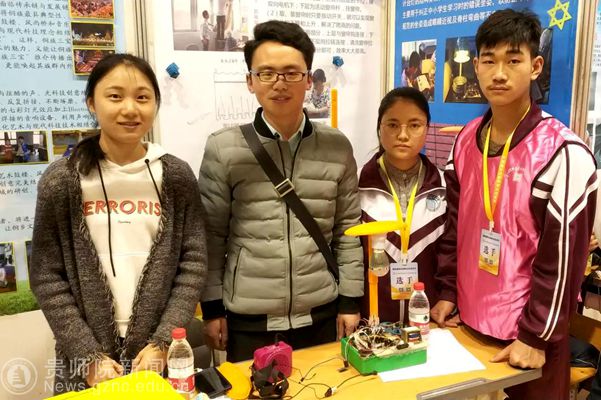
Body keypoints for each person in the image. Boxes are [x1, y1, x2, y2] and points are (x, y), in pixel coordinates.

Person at [432, 9, 597, 400]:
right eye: (489, 61)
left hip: (529, 341)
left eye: (513, 60)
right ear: (475, 66)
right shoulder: (465, 141)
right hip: (467, 324)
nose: (499, 73)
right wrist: (448, 292)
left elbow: (562, 261)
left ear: (535, 66)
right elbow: (454, 228)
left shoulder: (563, 153)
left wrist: (536, 336)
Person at [30, 54, 208, 394]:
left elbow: (194, 264)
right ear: (91, 103)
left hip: (158, 357)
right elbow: (46, 276)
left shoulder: (176, 176)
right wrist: (86, 356)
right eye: (115, 96)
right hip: (85, 362)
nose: (130, 109)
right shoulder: (62, 180)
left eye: (142, 97)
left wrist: (163, 342)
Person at [199, 20, 364, 362]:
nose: (279, 83)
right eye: (266, 73)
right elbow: (212, 237)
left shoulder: (337, 146)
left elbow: (348, 230)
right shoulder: (223, 148)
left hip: (322, 312)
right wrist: (212, 308)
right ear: (250, 81)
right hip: (249, 319)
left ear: (309, 79)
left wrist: (350, 301)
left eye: (291, 73)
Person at [358, 87, 445, 324]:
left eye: (414, 125)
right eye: (393, 125)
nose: (403, 135)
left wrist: (449, 296)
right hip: (371, 318)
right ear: (379, 128)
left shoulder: (444, 187)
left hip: (427, 318)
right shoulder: (356, 185)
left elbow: (450, 250)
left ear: (427, 129)